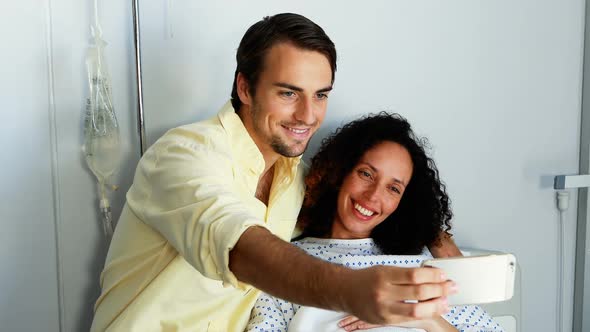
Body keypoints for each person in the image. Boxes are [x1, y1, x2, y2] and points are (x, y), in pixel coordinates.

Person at [91, 13, 458, 332]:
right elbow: (241, 246)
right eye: (288, 93)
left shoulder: (296, 181)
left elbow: (357, 206)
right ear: (245, 87)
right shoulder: (182, 156)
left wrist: (428, 228)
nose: (308, 116)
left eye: (320, 95)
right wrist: (353, 290)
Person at [247, 113, 503, 332]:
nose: (373, 196)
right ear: (340, 171)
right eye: (366, 174)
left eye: (393, 188)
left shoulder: (422, 268)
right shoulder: (288, 262)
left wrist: (424, 319)